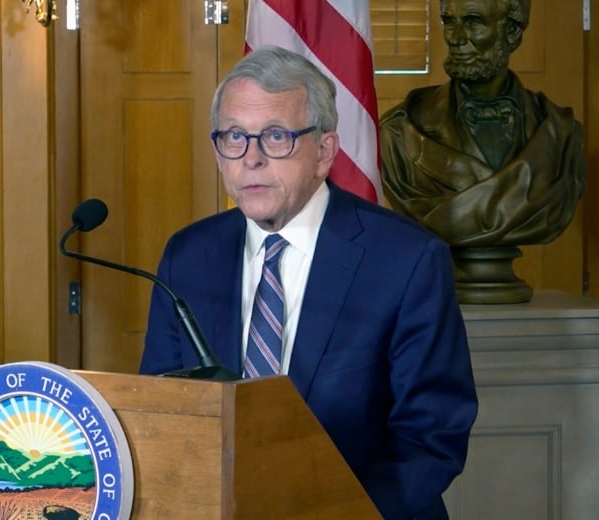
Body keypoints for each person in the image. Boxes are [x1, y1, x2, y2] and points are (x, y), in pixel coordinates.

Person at [139, 45, 477, 519]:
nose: (250, 159)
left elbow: (432, 435)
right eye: (234, 137)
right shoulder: (188, 256)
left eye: (275, 137)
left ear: (324, 152)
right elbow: (162, 411)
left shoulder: (407, 260)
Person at [380, 0, 585, 247]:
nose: (455, 39)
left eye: (473, 21)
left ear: (512, 31)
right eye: (449, 22)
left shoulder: (560, 134)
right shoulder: (400, 132)